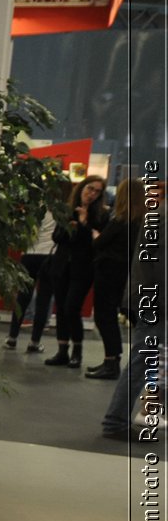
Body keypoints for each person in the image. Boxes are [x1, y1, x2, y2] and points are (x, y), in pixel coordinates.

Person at [103, 178, 163, 439]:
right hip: (156, 302)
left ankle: (121, 419)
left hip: (152, 299)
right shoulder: (161, 216)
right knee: (142, 361)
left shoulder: (158, 214)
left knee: (145, 360)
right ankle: (115, 421)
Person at [45, 176, 108, 370]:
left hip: (83, 268)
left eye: (97, 191)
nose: (92, 194)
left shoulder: (101, 215)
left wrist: (82, 224)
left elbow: (94, 244)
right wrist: (70, 226)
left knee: (72, 307)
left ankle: (77, 351)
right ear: (82, 187)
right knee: (61, 307)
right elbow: (57, 237)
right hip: (62, 264)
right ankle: (62, 350)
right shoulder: (67, 209)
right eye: (90, 188)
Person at [87, 178, 143, 381]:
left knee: (104, 317)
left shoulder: (120, 221)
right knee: (118, 316)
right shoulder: (142, 223)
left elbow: (99, 243)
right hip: (126, 274)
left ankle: (111, 360)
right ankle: (112, 360)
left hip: (108, 273)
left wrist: (94, 234)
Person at [6, 192, 59, 352]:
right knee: (44, 300)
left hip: (28, 256)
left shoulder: (30, 209)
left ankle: (12, 338)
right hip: (49, 256)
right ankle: (34, 342)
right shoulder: (58, 210)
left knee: (23, 298)